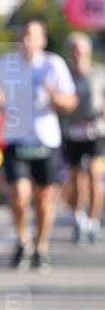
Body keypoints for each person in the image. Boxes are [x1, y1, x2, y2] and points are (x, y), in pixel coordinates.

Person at [0, 20, 77, 272]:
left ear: (42, 40)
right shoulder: (6, 64)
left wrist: (54, 97)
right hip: (17, 139)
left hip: (46, 140)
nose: (26, 40)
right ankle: (23, 238)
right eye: (23, 34)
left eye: (32, 35)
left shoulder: (53, 65)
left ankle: (41, 247)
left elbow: (70, 101)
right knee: (18, 194)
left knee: (44, 200)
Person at [62, 32, 105, 243]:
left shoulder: (99, 73)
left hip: (95, 130)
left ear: (87, 50)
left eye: (80, 48)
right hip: (72, 131)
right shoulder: (66, 74)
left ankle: (94, 219)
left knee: (94, 175)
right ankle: (78, 216)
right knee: (76, 177)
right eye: (74, 48)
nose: (77, 52)